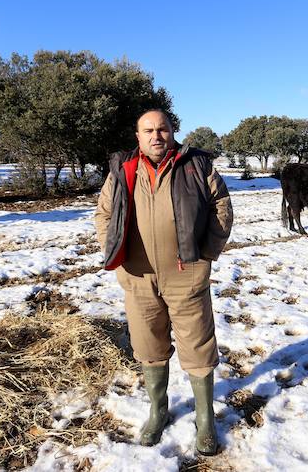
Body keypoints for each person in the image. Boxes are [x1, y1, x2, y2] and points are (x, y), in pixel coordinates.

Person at [95, 109, 233, 456]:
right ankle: (158, 411)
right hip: (138, 277)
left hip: (186, 274)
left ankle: (205, 420)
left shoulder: (197, 165)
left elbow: (222, 207)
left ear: (173, 132)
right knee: (148, 346)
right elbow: (104, 214)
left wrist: (206, 255)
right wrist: (116, 257)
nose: (157, 136)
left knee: (198, 346)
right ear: (138, 136)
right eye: (149, 130)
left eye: (163, 129)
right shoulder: (123, 170)